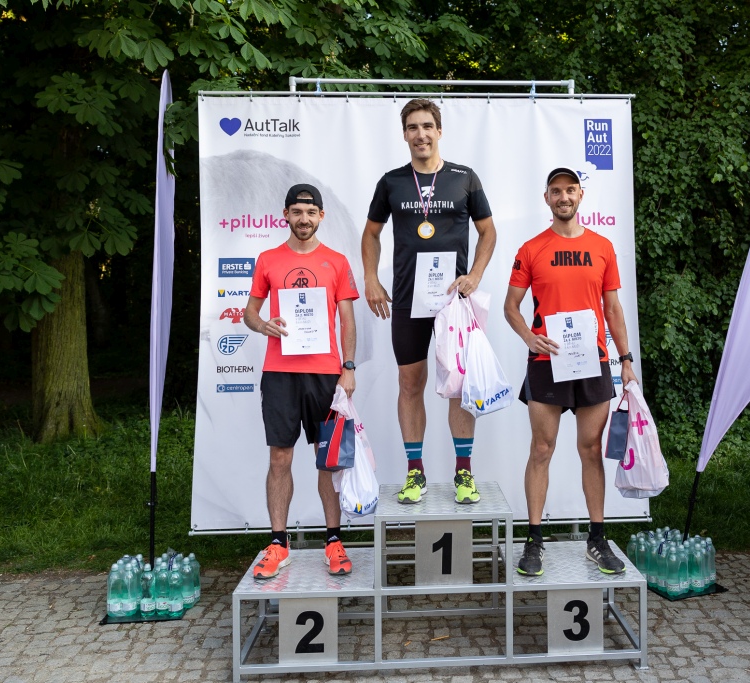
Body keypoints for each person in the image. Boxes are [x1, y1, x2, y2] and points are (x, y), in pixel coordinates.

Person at [362, 98, 497, 505]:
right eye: (412, 127)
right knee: (410, 383)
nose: (420, 134)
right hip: (408, 299)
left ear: (439, 131)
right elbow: (371, 233)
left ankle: (464, 473)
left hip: (453, 300)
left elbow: (488, 231)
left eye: (426, 126)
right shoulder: (391, 182)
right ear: (404, 134)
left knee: (459, 384)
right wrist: (371, 278)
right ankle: (415, 472)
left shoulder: (464, 178)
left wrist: (475, 275)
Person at [503, 167, 637, 576]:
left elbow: (612, 309)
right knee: (542, 449)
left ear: (580, 196)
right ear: (547, 198)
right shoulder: (531, 249)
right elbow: (511, 306)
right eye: (556, 191)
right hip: (547, 362)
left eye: (570, 190)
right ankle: (534, 540)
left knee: (591, 450)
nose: (564, 197)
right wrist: (529, 337)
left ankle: (597, 538)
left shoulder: (602, 247)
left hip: (592, 361)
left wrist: (626, 359)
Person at [243, 184, 359, 580]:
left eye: (310, 213)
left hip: (325, 374)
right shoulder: (268, 259)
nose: (303, 219)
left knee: (327, 459)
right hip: (280, 373)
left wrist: (348, 367)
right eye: (296, 212)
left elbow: (347, 320)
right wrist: (263, 325)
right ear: (286, 215)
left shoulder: (337, 262)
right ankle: (278, 543)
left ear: (321, 216)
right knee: (280, 458)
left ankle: (333, 540)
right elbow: (250, 313)